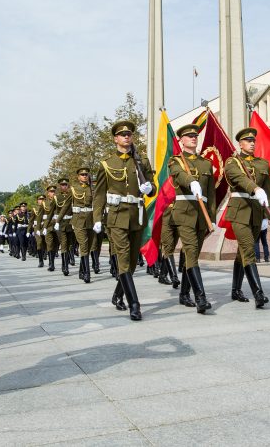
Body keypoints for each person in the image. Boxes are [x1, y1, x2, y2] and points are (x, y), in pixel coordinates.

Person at [93, 120, 155, 321]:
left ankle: (118, 294)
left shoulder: (142, 161)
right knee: (123, 258)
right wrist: (97, 218)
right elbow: (100, 194)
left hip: (137, 215)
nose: (126, 136)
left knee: (134, 261)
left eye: (129, 133)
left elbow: (152, 186)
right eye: (122, 134)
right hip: (117, 216)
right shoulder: (107, 164)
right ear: (115, 139)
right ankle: (134, 305)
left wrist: (150, 189)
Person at [168, 124, 216, 314]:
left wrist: (211, 217)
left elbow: (211, 193)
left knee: (192, 255)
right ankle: (201, 298)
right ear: (181, 140)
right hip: (185, 212)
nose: (193, 138)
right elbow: (178, 176)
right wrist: (191, 182)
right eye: (189, 136)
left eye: (195, 135)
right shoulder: (176, 161)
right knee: (190, 251)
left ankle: (183, 294)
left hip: (201, 215)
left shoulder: (206, 163)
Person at [224, 127, 270, 308]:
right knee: (249, 249)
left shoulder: (262, 164)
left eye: (253, 141)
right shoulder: (232, 162)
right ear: (240, 144)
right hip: (240, 211)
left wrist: (268, 213)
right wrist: (255, 188)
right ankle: (258, 293)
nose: (252, 143)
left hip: (257, 212)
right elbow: (238, 179)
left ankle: (236, 289)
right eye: (248, 141)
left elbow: (267, 190)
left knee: (241, 253)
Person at [57, 169, 95, 283]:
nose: (84, 176)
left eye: (86, 175)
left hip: (90, 220)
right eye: (82, 175)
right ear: (78, 177)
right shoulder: (73, 189)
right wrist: (58, 220)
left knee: (88, 247)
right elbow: (66, 206)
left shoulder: (92, 189)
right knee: (83, 245)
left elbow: (97, 204)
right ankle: (87, 273)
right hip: (78, 221)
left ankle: (81, 270)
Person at [50, 178, 74, 277]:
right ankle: (65, 267)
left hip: (70, 223)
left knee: (70, 244)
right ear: (60, 186)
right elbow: (51, 212)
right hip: (60, 224)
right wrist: (49, 225)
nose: (64, 186)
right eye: (62, 185)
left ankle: (67, 261)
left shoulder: (72, 195)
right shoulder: (56, 198)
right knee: (64, 244)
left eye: (66, 185)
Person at [41, 186, 60, 272]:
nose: (53, 193)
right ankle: (51, 263)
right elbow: (39, 217)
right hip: (48, 226)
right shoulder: (44, 203)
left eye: (54, 191)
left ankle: (53, 259)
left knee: (56, 244)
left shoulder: (59, 200)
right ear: (48, 193)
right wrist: (41, 227)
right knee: (49, 244)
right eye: (51, 191)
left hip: (57, 225)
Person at [28, 195, 46, 267]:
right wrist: (28, 230)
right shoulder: (34, 209)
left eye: (43, 199)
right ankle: (41, 261)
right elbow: (31, 220)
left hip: (45, 227)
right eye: (40, 199)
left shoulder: (47, 207)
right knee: (39, 243)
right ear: (37, 200)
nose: (41, 200)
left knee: (46, 243)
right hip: (37, 228)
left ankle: (47, 256)